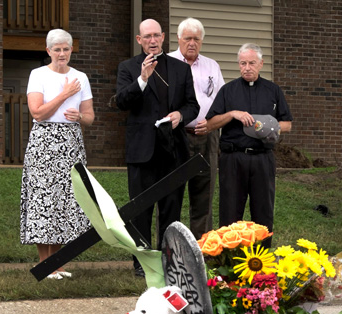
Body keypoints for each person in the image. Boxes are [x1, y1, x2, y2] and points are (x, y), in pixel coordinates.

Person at [116, 19, 199, 277]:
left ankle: (168, 261)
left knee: (171, 209)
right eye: (147, 37)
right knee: (140, 209)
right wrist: (142, 79)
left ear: (163, 37)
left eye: (156, 35)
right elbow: (121, 101)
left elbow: (192, 105)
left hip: (172, 150)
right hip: (142, 150)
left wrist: (180, 116)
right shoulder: (128, 67)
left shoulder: (180, 68)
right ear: (139, 40)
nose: (152, 40)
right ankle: (142, 262)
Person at [19, 29, 95, 279]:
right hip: (44, 141)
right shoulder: (38, 75)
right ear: (48, 51)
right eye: (57, 49)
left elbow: (90, 117)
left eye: (66, 49)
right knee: (44, 198)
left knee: (65, 198)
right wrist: (64, 94)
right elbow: (37, 113)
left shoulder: (81, 77)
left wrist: (80, 116)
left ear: (71, 50)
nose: (62, 53)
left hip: (71, 141)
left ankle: (58, 263)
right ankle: (45, 263)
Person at [206, 43, 293, 247]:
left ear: (261, 64)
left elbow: (287, 124)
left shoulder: (273, 91)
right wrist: (231, 114)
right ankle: (228, 265)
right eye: (243, 63)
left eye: (252, 63)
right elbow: (210, 124)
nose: (247, 67)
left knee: (263, 212)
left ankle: (261, 265)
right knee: (229, 212)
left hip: (262, 158)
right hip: (233, 158)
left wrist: (267, 126)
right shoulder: (228, 91)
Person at [169, 18, 225, 240]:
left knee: (204, 195)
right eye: (187, 38)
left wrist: (211, 124)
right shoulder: (167, 63)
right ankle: (170, 250)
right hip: (176, 137)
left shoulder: (212, 66)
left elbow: (221, 101)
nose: (192, 43)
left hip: (206, 136)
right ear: (178, 39)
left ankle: (202, 252)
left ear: (202, 41)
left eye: (196, 39)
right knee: (172, 195)